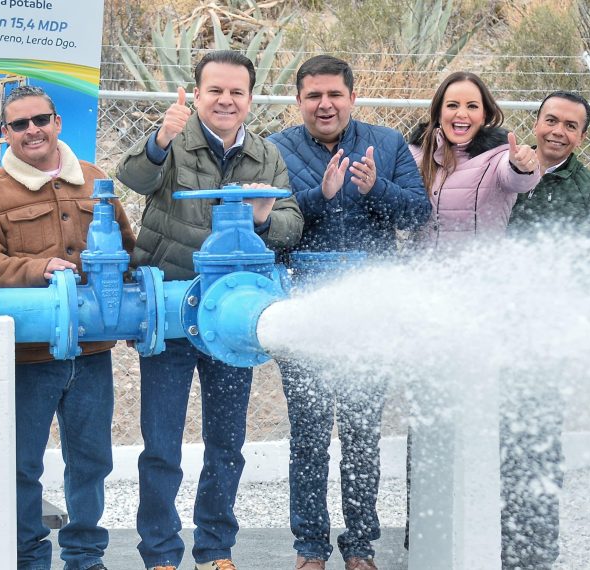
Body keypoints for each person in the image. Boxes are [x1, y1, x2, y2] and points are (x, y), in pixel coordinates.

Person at [116, 50, 302, 570]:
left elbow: (292, 223)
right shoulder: (174, 140)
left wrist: (265, 219)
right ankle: (160, 555)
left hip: (231, 320)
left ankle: (215, 550)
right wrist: (159, 139)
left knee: (226, 443)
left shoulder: (266, 156)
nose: (225, 100)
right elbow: (132, 177)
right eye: (214, 90)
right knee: (161, 445)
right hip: (171, 315)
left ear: (249, 99)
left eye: (236, 92)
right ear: (197, 95)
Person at [0, 85, 135, 570]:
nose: (32, 130)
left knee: (92, 461)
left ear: (58, 122)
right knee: (21, 466)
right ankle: (27, 556)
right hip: (28, 354)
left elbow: (126, 244)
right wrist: (38, 269)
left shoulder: (97, 181)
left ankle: (84, 556)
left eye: (41, 119)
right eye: (20, 124)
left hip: (92, 352)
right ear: (6, 134)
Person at [266, 55, 431, 570]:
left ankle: (360, 547)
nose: (325, 104)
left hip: (368, 313)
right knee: (309, 433)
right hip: (306, 308)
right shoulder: (276, 150)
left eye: (335, 94)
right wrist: (321, 196)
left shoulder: (385, 143)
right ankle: (310, 548)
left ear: (352, 97)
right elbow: (271, 224)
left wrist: (374, 188)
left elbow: (418, 212)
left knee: (361, 431)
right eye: (314, 95)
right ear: (299, 101)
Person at [503, 90, 590, 570]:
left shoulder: (589, 189)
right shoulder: (506, 164)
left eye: (570, 126)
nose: (558, 131)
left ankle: (534, 555)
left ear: (582, 136)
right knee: (485, 441)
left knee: (537, 446)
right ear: (536, 121)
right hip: (489, 327)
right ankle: (476, 545)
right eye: (551, 120)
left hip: (544, 340)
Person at [407, 71, 542, 247]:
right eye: (452, 105)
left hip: (476, 272)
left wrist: (522, 167)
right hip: (418, 270)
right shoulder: (414, 153)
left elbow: (518, 180)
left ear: (484, 115)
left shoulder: (498, 156)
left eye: (472, 106)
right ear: (439, 113)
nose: (462, 113)